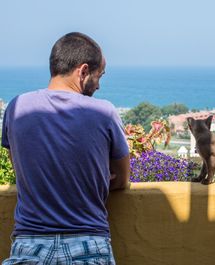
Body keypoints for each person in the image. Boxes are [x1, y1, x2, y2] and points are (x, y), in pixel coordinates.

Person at [1, 32, 130, 264]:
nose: (99, 85)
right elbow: (121, 179)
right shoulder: (104, 112)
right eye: (99, 76)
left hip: (30, 244)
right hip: (89, 242)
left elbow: (20, 169)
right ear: (83, 71)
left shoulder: (16, 107)